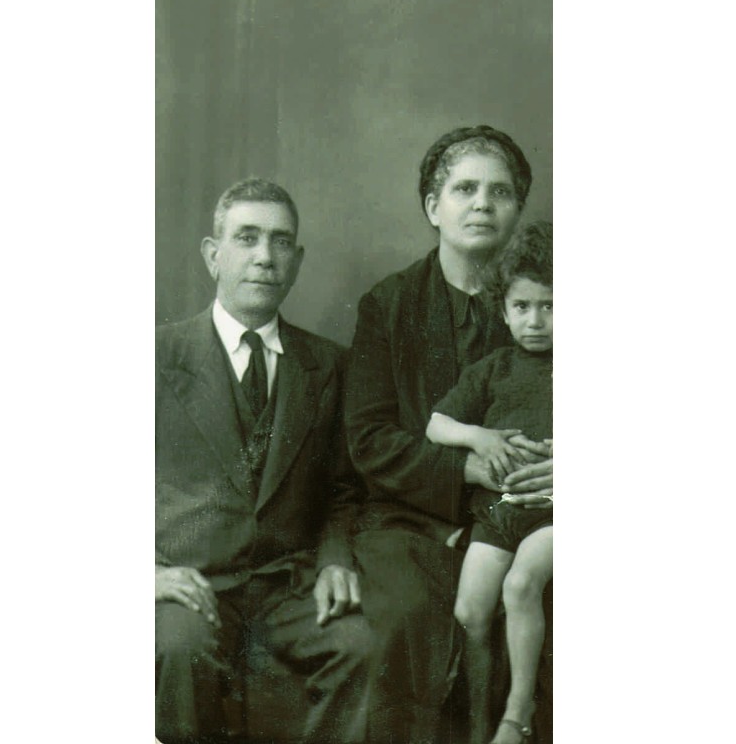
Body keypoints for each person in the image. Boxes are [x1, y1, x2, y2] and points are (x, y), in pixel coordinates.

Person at [345, 126, 554, 744]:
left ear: (518, 210)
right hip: (414, 517)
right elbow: (369, 437)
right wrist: (467, 467)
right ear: (433, 208)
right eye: (465, 189)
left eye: (501, 192)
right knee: (411, 616)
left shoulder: (548, 305)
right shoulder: (388, 305)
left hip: (531, 513)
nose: (483, 204)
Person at [156, 178, 371, 744]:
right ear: (213, 254)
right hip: (193, 583)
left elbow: (344, 491)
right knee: (176, 648)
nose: (264, 256)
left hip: (289, 587)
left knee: (360, 646)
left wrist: (334, 560)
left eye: (280, 242)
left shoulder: (329, 365)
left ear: (296, 261)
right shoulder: (153, 357)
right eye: (246, 238)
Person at [427, 221, 554, 744]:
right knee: (470, 609)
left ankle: (516, 716)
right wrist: (479, 437)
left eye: (550, 305)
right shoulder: (494, 368)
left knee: (521, 584)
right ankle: (481, 716)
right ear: (503, 312)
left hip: (558, 510)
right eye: (522, 307)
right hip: (501, 510)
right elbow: (437, 424)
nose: (536, 320)